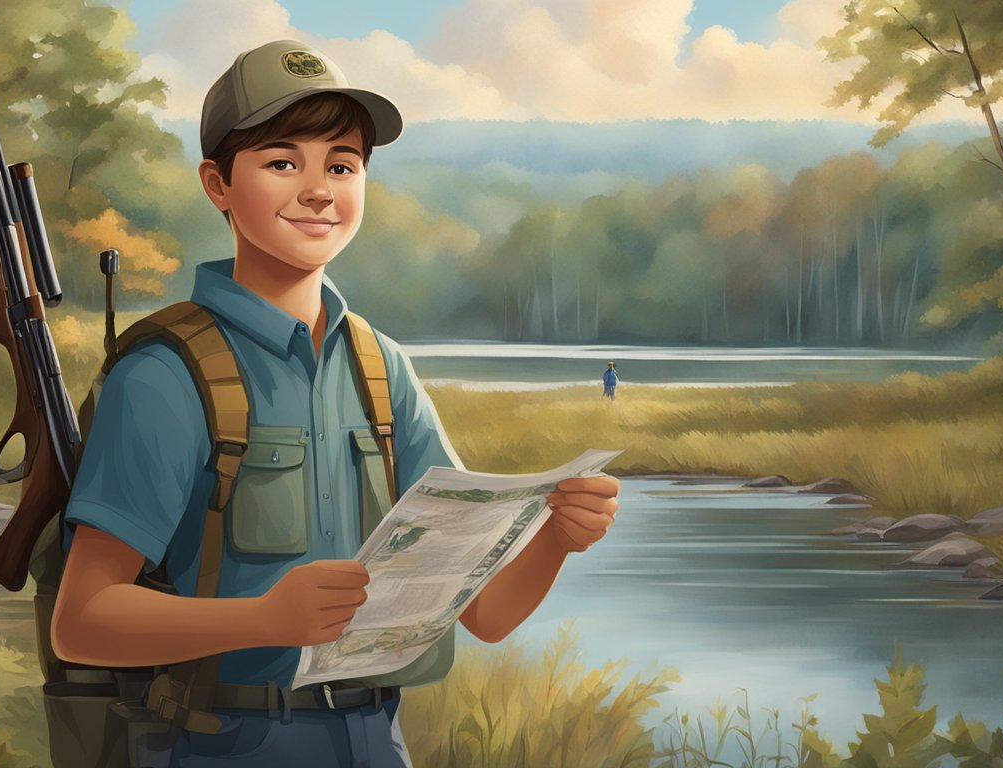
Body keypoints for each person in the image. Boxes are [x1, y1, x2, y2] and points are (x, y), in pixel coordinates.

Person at [50, 39, 621, 767]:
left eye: (342, 165)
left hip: (375, 737)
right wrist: (264, 619)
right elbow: (84, 620)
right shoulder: (167, 373)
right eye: (283, 162)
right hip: (215, 744)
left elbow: (485, 613)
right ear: (217, 183)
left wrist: (556, 541)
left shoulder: (382, 367)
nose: (319, 190)